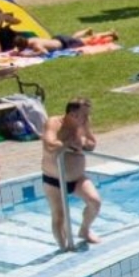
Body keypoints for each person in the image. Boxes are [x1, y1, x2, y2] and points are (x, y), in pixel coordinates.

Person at [41, 98, 102, 250]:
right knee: (59, 217)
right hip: (54, 179)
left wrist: (85, 143)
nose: (87, 117)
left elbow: (92, 143)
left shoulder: (83, 123)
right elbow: (49, 145)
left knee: (95, 202)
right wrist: (67, 144)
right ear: (73, 114)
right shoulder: (54, 123)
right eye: (84, 114)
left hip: (77, 178)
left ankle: (84, 230)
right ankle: (63, 248)